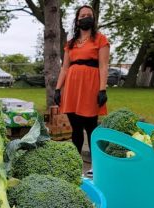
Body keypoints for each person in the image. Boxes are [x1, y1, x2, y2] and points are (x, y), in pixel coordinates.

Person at [54, 5, 110, 161]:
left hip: (91, 86)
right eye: (82, 15)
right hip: (72, 87)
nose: (86, 17)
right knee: (76, 128)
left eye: (89, 15)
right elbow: (64, 68)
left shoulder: (100, 39)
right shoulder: (70, 43)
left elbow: (104, 66)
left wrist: (102, 89)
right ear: (77, 20)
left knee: (91, 127)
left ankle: (96, 166)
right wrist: (58, 89)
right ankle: (76, 162)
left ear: (93, 19)